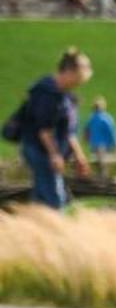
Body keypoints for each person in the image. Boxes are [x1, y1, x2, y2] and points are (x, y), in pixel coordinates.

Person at [8, 48, 92, 209]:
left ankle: (34, 229)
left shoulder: (64, 95)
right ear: (68, 71)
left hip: (50, 153)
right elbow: (44, 130)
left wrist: (79, 156)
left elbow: (69, 131)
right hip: (39, 151)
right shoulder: (46, 92)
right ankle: (54, 230)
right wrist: (55, 155)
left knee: (41, 198)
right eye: (79, 76)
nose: (80, 82)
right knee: (54, 199)